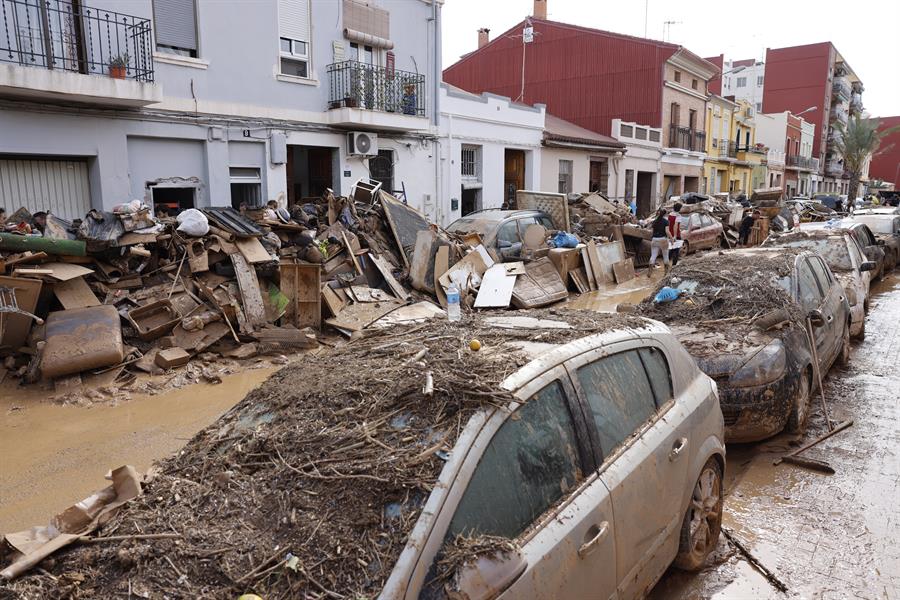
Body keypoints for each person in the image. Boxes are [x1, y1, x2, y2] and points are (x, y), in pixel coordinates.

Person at [647, 207, 673, 277]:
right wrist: (672, 239)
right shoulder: (666, 221)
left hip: (654, 240)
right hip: (663, 240)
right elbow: (667, 232)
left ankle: (649, 272)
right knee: (665, 256)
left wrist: (652, 238)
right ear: (665, 214)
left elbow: (652, 232)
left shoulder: (654, 221)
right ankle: (666, 272)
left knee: (653, 255)